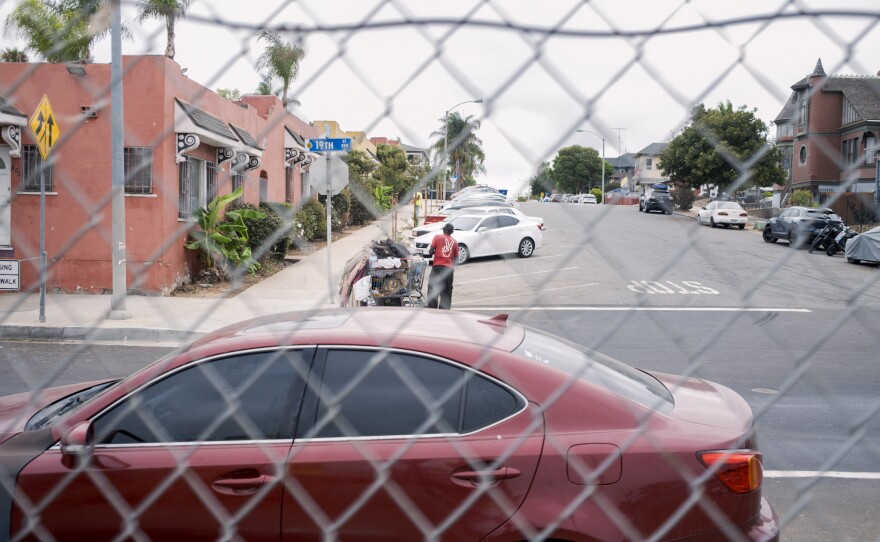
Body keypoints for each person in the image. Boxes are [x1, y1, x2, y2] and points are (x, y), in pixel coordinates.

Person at [426, 222, 458, 309]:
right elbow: (456, 259)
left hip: (437, 267)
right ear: (452, 232)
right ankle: (444, 312)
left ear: (444, 230)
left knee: (433, 289)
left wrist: (434, 251)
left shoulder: (437, 237)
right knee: (446, 292)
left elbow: (430, 252)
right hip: (448, 270)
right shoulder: (455, 242)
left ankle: (432, 309)